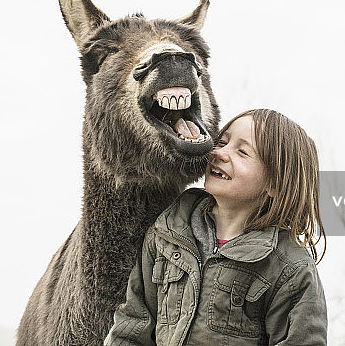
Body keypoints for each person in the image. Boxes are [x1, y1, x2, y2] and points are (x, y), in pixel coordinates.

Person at [104, 108, 327, 345]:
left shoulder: (291, 269)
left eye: (242, 152)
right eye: (221, 142)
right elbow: (132, 328)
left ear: (274, 183)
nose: (219, 153)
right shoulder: (167, 232)